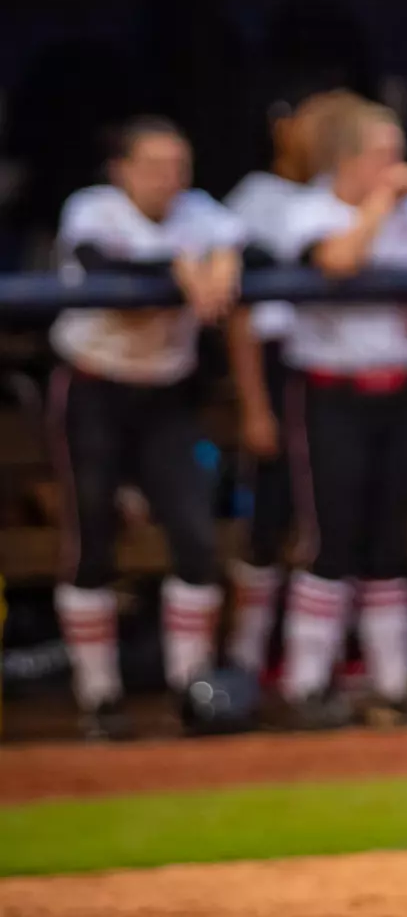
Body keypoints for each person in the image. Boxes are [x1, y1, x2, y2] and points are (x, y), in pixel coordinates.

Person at [272, 96, 407, 728]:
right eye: (382, 155)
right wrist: (377, 204)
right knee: (330, 537)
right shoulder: (309, 208)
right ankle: (306, 685)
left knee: (391, 538)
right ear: (348, 158)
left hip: (400, 389)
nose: (397, 166)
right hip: (328, 389)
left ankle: (394, 683)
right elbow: (337, 261)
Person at [47, 116, 266, 739]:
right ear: (121, 169)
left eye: (179, 165)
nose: (171, 178)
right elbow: (97, 262)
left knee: (197, 539)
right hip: (92, 388)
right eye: (155, 165)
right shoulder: (94, 208)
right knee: (91, 541)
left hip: (166, 397)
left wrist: (222, 256)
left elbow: (251, 247)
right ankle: (99, 700)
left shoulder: (198, 211)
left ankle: (191, 691)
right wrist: (180, 265)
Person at [220, 85, 351, 678]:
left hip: (326, 369)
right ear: (283, 127)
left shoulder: (338, 193)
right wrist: (253, 406)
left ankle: (304, 665)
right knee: (268, 522)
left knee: (323, 520)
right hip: (276, 371)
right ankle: (244, 658)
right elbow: (241, 319)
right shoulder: (254, 198)